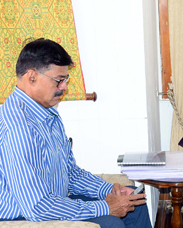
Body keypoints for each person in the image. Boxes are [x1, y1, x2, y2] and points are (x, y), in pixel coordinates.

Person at [0, 38, 150, 228]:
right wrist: (104, 207)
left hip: (53, 203)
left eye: (65, 80)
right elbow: (37, 207)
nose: (64, 87)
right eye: (59, 81)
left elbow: (70, 173)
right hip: (23, 217)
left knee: (134, 201)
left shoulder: (48, 113)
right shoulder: (17, 127)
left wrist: (109, 190)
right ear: (32, 77)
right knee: (111, 223)